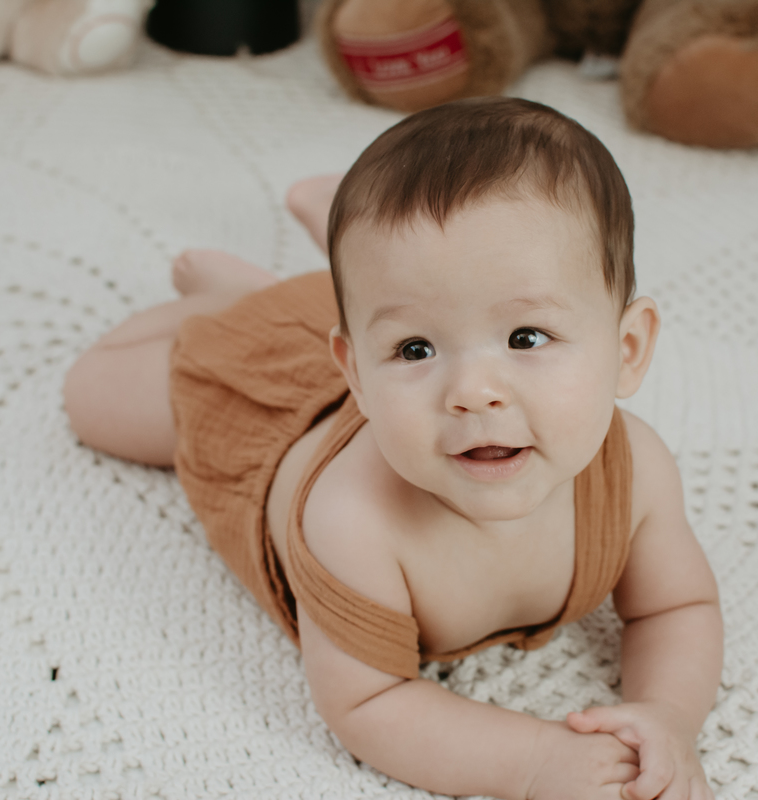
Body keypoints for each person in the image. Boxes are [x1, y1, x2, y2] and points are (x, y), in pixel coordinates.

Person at [64, 97, 722, 800]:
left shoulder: (637, 473)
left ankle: (338, 286)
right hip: (274, 393)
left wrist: (668, 716)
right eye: (417, 349)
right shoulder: (353, 520)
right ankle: (229, 304)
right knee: (90, 396)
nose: (472, 393)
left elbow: (676, 609)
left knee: (408, 285)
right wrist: (536, 762)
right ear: (355, 373)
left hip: (369, 320)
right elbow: (368, 702)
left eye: (526, 338)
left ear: (628, 350)